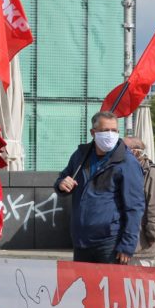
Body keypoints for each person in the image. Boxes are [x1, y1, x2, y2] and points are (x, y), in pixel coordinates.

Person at [54, 111, 144, 264]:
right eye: (105, 130)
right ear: (93, 132)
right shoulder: (80, 155)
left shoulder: (126, 161)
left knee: (110, 287)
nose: (110, 134)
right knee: (82, 286)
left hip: (110, 242)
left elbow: (135, 206)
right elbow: (63, 178)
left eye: (114, 130)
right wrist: (61, 184)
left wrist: (127, 245)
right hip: (81, 240)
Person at [122, 136, 155, 266]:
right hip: (125, 244)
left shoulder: (152, 174)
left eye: (122, 149)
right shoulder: (125, 170)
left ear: (135, 152)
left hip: (141, 247)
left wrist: (152, 235)